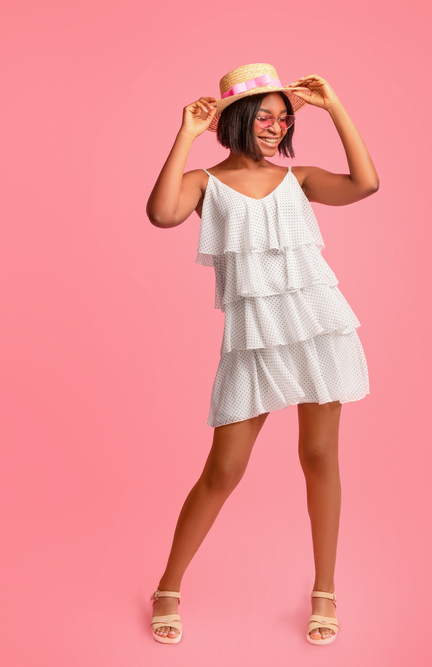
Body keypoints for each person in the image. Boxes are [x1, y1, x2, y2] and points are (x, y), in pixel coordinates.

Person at [144, 63, 379, 646]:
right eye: (264, 117)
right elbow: (161, 212)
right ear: (238, 120)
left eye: (284, 118)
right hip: (253, 337)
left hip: (317, 328)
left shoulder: (300, 181)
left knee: (320, 456)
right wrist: (186, 134)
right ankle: (168, 586)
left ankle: (325, 590)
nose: (276, 127)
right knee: (224, 469)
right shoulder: (205, 183)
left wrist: (335, 105)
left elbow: (365, 183)